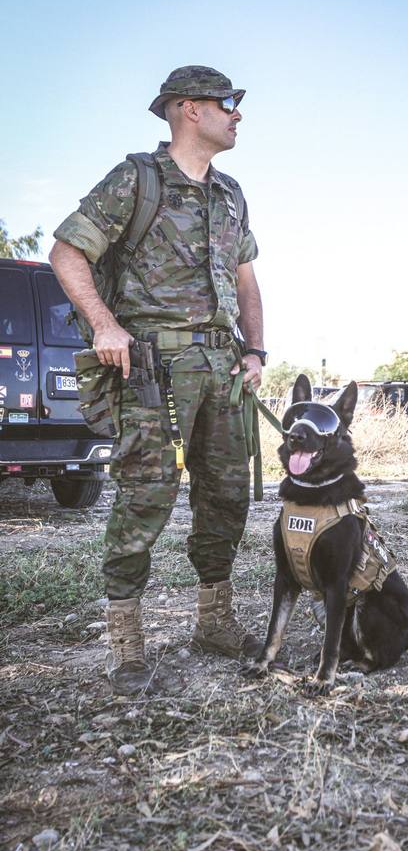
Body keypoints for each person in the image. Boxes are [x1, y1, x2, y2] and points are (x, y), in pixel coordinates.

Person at [49, 66, 267, 694]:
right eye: (229, 102)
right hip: (152, 372)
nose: (238, 114)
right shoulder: (136, 180)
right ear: (188, 109)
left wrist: (254, 351)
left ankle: (215, 623)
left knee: (224, 497)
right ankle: (126, 643)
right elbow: (68, 251)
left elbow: (248, 281)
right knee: (145, 499)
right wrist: (104, 325)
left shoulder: (232, 194)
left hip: (223, 372)